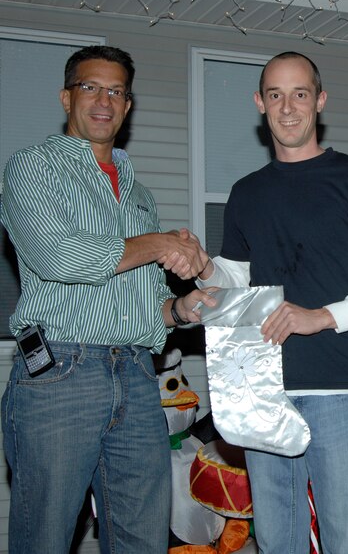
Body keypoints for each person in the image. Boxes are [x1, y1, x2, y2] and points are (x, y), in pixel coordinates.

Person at [195, 51, 348, 554]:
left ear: (320, 100)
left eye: (300, 94)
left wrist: (322, 317)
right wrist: (203, 270)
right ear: (260, 103)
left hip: (339, 389)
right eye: (275, 95)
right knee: (278, 542)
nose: (288, 107)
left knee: (347, 542)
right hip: (261, 389)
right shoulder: (246, 192)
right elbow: (236, 278)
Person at [0, 45, 216, 554]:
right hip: (60, 373)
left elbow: (147, 303)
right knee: (46, 536)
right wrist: (160, 243)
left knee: (144, 536)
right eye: (90, 87)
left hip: (138, 375)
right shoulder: (32, 167)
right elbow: (59, 257)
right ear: (66, 97)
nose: (104, 100)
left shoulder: (139, 196)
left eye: (116, 91)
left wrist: (181, 309)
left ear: (128, 105)